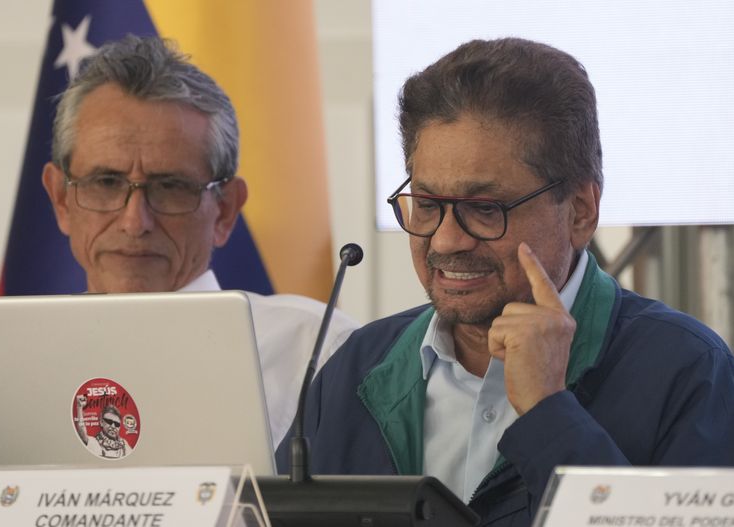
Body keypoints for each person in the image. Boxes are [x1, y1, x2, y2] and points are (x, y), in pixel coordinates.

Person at [275, 37, 734, 525]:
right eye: (427, 205)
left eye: (484, 209)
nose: (446, 240)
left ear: (580, 211)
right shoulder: (354, 368)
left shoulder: (689, 371)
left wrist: (548, 412)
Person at [41, 35, 358, 448]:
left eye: (170, 187)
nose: (135, 222)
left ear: (225, 210)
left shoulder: (319, 349)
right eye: (105, 182)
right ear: (61, 199)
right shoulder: (10, 359)